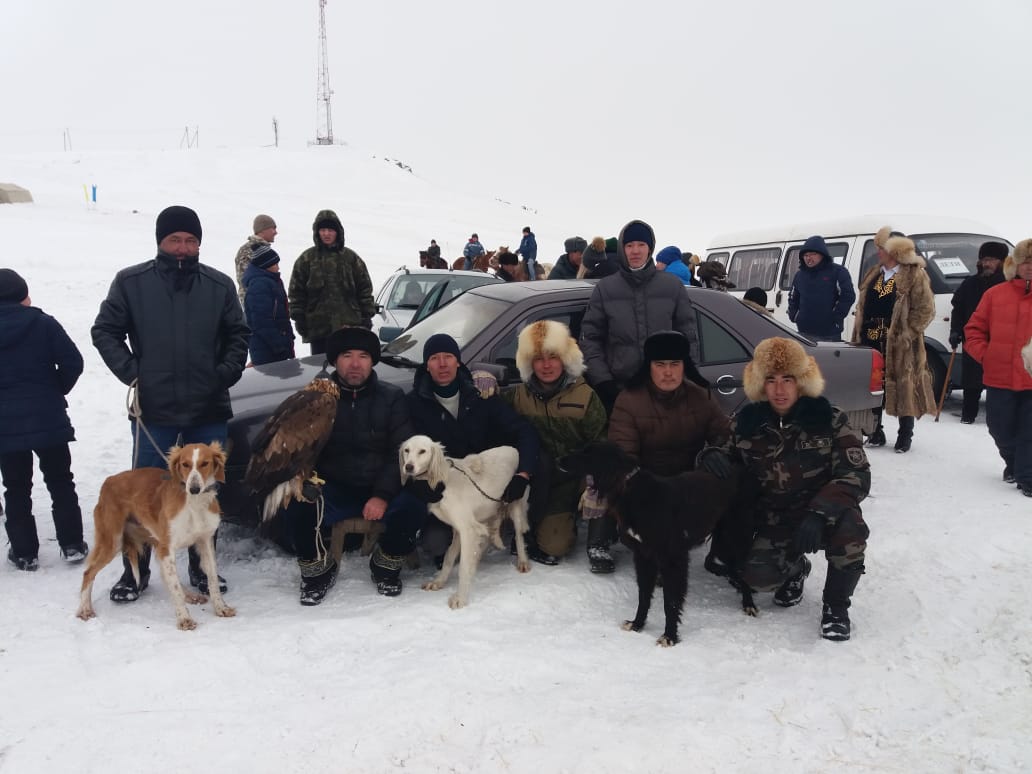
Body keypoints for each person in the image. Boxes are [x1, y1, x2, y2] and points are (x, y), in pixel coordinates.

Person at [92, 205, 249, 602]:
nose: (182, 247)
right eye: (174, 239)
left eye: (190, 240)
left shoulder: (218, 285)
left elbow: (238, 334)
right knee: (146, 494)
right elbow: (105, 330)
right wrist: (133, 372)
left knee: (207, 489)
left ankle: (202, 567)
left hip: (207, 408)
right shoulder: (132, 282)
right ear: (160, 241)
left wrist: (224, 372)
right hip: (155, 411)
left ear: (199, 243)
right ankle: (135, 571)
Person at [697, 337, 870, 641]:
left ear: (801, 381)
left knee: (851, 531)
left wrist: (819, 514)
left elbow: (856, 473)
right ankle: (796, 569)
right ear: (760, 383)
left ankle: (836, 608)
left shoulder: (828, 419)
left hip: (820, 510)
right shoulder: (746, 422)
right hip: (774, 517)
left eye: (787, 379)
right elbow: (721, 452)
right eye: (771, 380)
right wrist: (709, 456)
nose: (779, 389)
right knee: (756, 579)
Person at [369, 333, 539, 596]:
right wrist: (416, 487)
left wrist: (523, 474)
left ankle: (500, 534)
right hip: (440, 489)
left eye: (448, 357)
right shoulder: (413, 404)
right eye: (435, 359)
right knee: (434, 544)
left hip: (477, 484)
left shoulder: (481, 395)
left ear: (458, 362)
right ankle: (396, 555)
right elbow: (404, 452)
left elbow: (524, 431)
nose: (442, 364)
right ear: (427, 365)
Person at [285, 327, 413, 604]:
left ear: (373, 361)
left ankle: (385, 565)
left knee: (416, 501)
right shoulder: (317, 399)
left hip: (381, 486)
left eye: (363, 356)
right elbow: (302, 452)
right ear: (334, 360)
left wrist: (382, 494)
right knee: (297, 503)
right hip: (334, 487)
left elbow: (400, 453)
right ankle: (317, 573)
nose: (355, 364)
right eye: (347, 355)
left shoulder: (392, 398)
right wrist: (304, 479)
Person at [604, 331, 730, 573]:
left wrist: (713, 452)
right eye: (660, 364)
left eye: (675, 364)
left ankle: (724, 551)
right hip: (646, 488)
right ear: (648, 367)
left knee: (731, 473)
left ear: (685, 366)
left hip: (687, 486)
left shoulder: (700, 395)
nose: (668, 372)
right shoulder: (629, 400)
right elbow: (622, 459)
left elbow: (728, 438)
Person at [0, 269, 88, 571]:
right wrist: (54, 390)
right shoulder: (43, 324)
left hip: (5, 426)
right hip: (48, 419)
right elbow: (73, 362)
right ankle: (72, 543)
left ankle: (24, 553)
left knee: (15, 486)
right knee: (61, 480)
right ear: (23, 296)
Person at [502, 320, 607, 566]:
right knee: (553, 544)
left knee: (607, 486)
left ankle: (600, 538)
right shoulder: (518, 396)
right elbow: (485, 411)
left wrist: (594, 481)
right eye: (538, 358)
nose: (546, 365)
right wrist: (478, 379)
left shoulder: (585, 396)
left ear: (565, 358)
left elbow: (602, 443)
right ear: (529, 362)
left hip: (577, 477)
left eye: (553, 357)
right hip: (541, 479)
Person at [580, 219, 699, 413]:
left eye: (641, 245)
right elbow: (590, 340)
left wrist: (685, 379)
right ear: (622, 249)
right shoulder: (605, 289)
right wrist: (603, 382)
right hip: (620, 393)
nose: (635, 251)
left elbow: (689, 338)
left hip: (667, 393)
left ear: (650, 249)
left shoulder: (672, 287)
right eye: (629, 245)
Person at [850, 226, 936, 452]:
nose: (878, 252)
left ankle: (905, 435)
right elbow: (863, 305)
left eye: (882, 248)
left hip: (899, 343)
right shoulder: (875, 273)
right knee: (874, 387)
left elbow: (926, 310)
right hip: (871, 338)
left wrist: (906, 332)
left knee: (904, 386)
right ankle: (875, 431)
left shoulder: (914, 274)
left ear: (894, 251)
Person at [964, 238, 1032, 496]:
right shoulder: (995, 294)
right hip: (999, 375)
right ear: (1015, 264)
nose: (1029, 267)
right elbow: (973, 330)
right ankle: (1013, 463)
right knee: (999, 427)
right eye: (1025, 261)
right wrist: (986, 355)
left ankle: (1027, 477)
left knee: (1030, 431)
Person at [288, 209, 376, 356]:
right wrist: (299, 319)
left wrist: (366, 318)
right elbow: (296, 293)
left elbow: (364, 289)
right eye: (322, 230)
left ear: (338, 232)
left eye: (330, 230)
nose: (326, 234)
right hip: (318, 330)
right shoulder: (306, 259)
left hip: (349, 328)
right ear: (317, 232)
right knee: (321, 374)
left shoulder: (351, 259)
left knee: (346, 370)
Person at [949, 241, 1008, 423]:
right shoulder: (970, 283)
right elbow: (957, 308)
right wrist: (955, 330)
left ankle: (998, 418)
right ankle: (968, 415)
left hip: (1000, 341)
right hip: (974, 339)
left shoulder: (1009, 285)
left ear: (1003, 262)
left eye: (991, 260)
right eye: (984, 259)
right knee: (971, 381)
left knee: (999, 382)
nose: (986, 264)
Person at [787, 235, 855, 341]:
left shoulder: (838, 272)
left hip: (830, 334)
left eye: (813, 254)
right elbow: (793, 297)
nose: (809, 258)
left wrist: (835, 318)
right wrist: (795, 315)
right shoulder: (800, 275)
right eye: (805, 255)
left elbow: (848, 296)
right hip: (804, 332)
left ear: (822, 254)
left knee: (828, 358)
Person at [243, 244, 295, 366]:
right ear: (266, 265)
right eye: (275, 264)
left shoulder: (270, 281)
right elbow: (261, 322)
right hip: (267, 350)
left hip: (275, 347)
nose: (278, 267)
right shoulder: (260, 285)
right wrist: (279, 345)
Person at [234, 214, 278, 306]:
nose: (276, 232)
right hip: (255, 304)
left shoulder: (263, 249)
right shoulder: (248, 250)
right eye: (273, 228)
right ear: (262, 230)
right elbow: (245, 280)